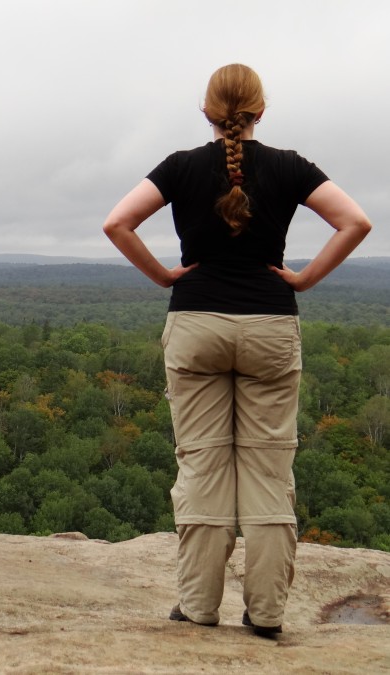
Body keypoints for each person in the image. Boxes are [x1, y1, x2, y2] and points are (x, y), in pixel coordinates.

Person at [102, 63, 371, 638]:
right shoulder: (290, 167)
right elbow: (355, 221)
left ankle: (198, 607)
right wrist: (303, 280)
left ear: (207, 112)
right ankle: (267, 613)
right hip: (270, 326)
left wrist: (165, 277)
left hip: (196, 322)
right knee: (268, 471)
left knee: (202, 463)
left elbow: (118, 223)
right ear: (260, 112)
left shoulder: (180, 166)